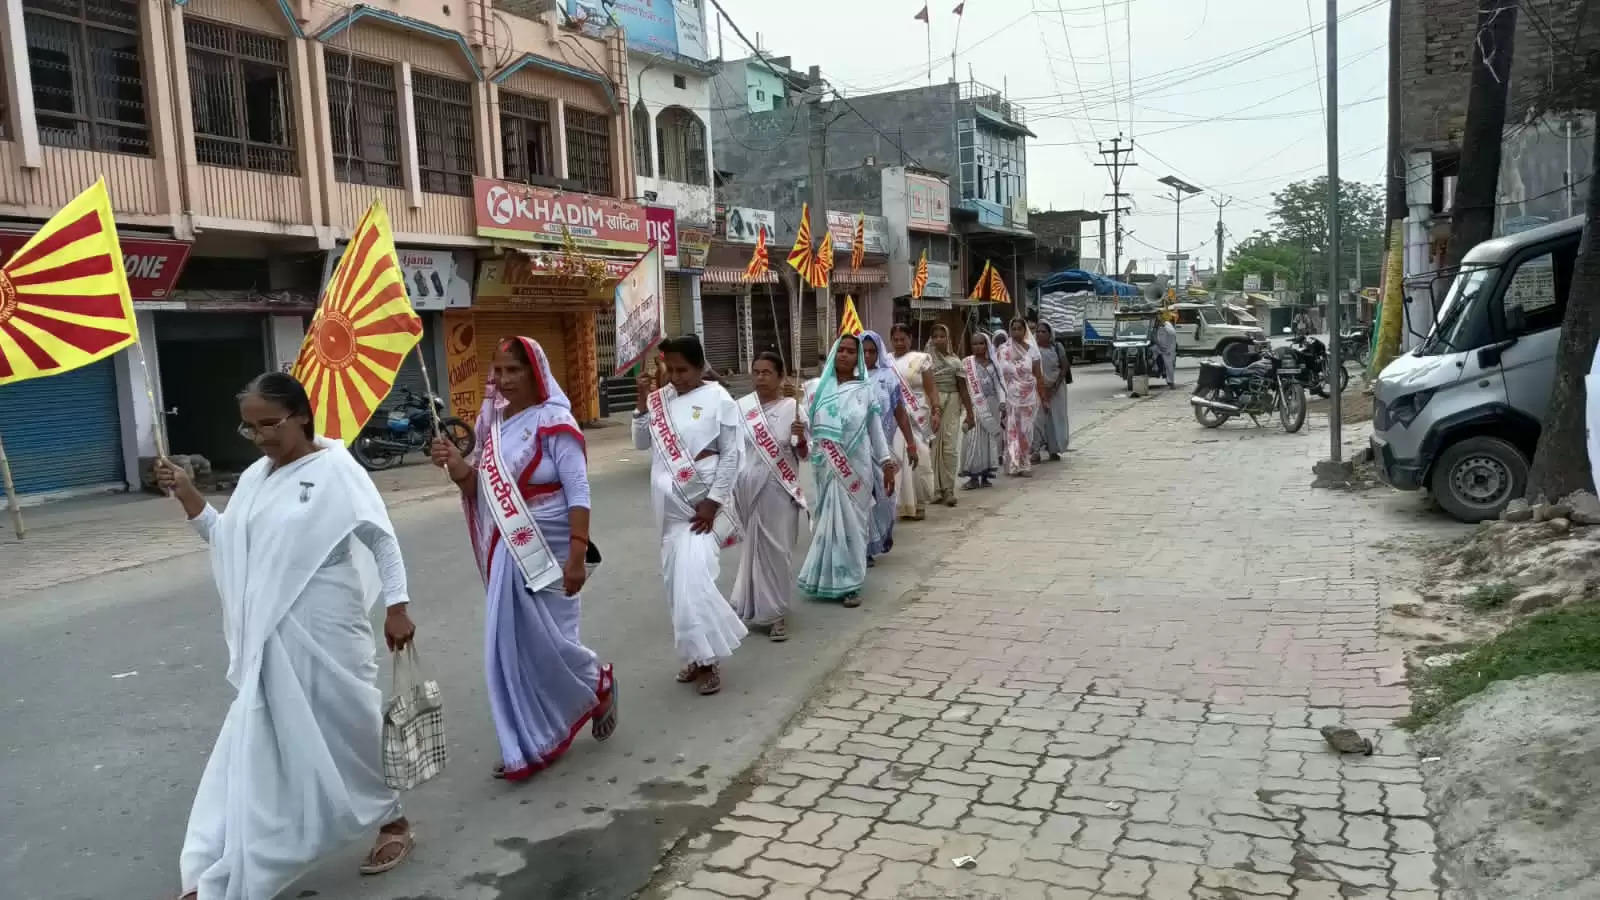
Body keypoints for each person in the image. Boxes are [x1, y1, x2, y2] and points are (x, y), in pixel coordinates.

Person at [158, 372, 417, 900]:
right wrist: (189, 497)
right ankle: (223, 861)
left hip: (330, 631)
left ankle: (392, 821)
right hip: (269, 639)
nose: (260, 438)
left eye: (269, 424)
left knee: (351, 730)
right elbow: (226, 541)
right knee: (258, 742)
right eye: (249, 428)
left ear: (301, 413)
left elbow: (381, 540)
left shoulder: (337, 470)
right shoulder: (256, 477)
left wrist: (397, 607)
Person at [430, 337, 616, 783]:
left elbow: (579, 493)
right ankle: (529, 740)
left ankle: (596, 683)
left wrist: (576, 554)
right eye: (498, 370)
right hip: (508, 547)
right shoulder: (492, 424)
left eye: (515, 370)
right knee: (513, 646)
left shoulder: (555, 422)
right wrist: (456, 465)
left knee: (555, 643)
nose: (505, 379)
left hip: (550, 547)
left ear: (537, 372)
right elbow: (481, 491)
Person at [633, 335, 748, 696]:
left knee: (694, 583)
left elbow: (731, 455)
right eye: (672, 369)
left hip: (703, 505)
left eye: (685, 369)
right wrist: (641, 405)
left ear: (700, 367)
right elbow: (640, 443)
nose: (678, 377)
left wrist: (713, 502)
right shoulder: (659, 400)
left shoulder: (719, 399)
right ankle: (694, 656)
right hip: (668, 507)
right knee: (675, 586)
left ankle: (710, 660)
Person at [797, 333, 899, 608]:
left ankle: (851, 584)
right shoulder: (816, 389)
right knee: (826, 525)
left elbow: (875, 431)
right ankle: (826, 579)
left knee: (853, 525)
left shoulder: (865, 390)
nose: (844, 355)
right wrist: (799, 435)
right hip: (825, 467)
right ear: (833, 354)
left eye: (850, 351)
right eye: (840, 350)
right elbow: (805, 429)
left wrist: (887, 463)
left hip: (857, 468)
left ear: (858, 359)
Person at [730, 351, 808, 642]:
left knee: (778, 551)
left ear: (780, 377)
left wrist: (800, 436)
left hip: (780, 488)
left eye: (767, 372)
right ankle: (751, 605)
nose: (760, 377)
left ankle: (776, 614)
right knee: (753, 549)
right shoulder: (741, 408)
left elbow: (804, 453)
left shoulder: (793, 408)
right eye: (756, 372)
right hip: (747, 488)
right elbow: (732, 449)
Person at [860, 330, 916, 560]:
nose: (867, 356)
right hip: (857, 449)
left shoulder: (888, 377)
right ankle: (866, 547)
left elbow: (900, 412)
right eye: (863, 352)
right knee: (863, 497)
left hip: (882, 448)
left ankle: (883, 532)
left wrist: (911, 444)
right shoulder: (847, 378)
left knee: (885, 497)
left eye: (872, 352)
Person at [888, 322, 937, 520]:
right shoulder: (886, 360)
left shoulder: (921, 359)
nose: (899, 343)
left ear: (911, 339)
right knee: (898, 458)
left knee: (920, 457)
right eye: (895, 339)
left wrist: (936, 410)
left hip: (918, 415)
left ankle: (920, 503)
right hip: (895, 417)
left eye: (903, 339)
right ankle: (902, 505)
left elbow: (931, 388)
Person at [924, 323, 973, 507]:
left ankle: (949, 489)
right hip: (931, 403)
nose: (938, 339)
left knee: (950, 447)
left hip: (952, 402)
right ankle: (935, 490)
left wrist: (970, 413)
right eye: (935, 336)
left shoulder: (955, 362)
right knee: (933, 446)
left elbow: (963, 389)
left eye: (941, 336)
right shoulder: (925, 361)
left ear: (948, 338)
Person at [993, 318, 1045, 477]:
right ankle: (1014, 464)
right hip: (1010, 396)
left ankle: (1025, 462)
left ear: (1025, 331)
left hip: (1029, 396)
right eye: (1013, 329)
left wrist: (1043, 397)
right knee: (1012, 430)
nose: (1016, 332)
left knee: (1026, 431)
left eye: (1019, 329)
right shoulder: (1003, 349)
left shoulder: (1032, 350)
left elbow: (1038, 375)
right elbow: (999, 375)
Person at [960, 331, 1004, 489]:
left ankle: (985, 475)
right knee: (973, 438)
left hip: (991, 405)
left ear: (987, 345)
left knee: (989, 439)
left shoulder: (993, 364)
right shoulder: (966, 363)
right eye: (974, 344)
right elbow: (962, 386)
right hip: (973, 404)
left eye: (981, 343)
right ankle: (972, 476)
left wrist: (1003, 402)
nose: (978, 347)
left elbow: (999, 385)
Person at [1033, 321, 1072, 461]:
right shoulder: (1032, 349)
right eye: (1037, 331)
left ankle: (1054, 450)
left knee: (1056, 418)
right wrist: (1042, 389)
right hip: (1037, 389)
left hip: (1057, 388)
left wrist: (1053, 388)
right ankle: (1035, 451)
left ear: (1050, 334)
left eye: (1043, 331)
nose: (1040, 334)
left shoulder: (1057, 347)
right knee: (1037, 420)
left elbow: (1064, 366)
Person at [1155, 314, 1179, 389]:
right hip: (1159, 348)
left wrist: (1163, 326)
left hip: (1168, 350)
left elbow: (1172, 333)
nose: (1158, 322)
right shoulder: (1156, 327)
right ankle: (1157, 369)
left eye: (1159, 320)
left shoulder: (1168, 326)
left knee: (1169, 366)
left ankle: (1171, 382)